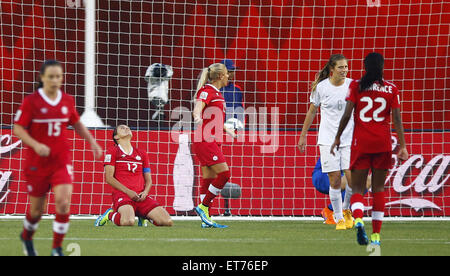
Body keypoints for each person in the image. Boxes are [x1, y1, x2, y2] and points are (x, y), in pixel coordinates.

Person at [13, 60, 103, 256]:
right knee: (37, 212)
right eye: (51, 77)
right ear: (42, 78)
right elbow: (18, 128)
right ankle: (27, 236)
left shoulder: (67, 100)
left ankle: (56, 248)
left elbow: (77, 123)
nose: (55, 80)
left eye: (58, 77)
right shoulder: (31, 102)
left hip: (61, 161)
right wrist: (36, 145)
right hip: (37, 164)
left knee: (63, 202)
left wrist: (93, 142)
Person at [330, 52, 408, 246]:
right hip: (382, 143)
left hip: (361, 143)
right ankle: (376, 237)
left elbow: (347, 114)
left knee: (357, 187)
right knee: (378, 189)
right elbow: (397, 119)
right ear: (382, 67)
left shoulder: (356, 86)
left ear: (365, 67)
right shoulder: (391, 89)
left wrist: (338, 137)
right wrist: (403, 145)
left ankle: (357, 220)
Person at [298, 54, 355, 230]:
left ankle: (346, 210)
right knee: (335, 179)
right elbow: (312, 111)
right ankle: (338, 219)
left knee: (353, 180)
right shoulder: (321, 88)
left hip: (349, 139)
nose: (344, 70)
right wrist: (303, 134)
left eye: (346, 67)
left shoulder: (353, 86)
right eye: (341, 67)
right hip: (327, 140)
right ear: (332, 70)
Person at [95, 125, 173, 227]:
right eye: (122, 128)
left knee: (167, 222)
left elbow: (149, 180)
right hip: (123, 195)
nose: (127, 128)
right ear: (116, 137)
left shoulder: (142, 154)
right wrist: (128, 192)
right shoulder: (112, 151)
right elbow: (109, 178)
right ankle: (110, 215)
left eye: (128, 127)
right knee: (128, 222)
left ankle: (143, 215)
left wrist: (145, 193)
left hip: (140, 196)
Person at [192, 63, 237, 228]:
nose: (228, 76)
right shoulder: (207, 91)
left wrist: (227, 129)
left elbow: (214, 116)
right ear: (220, 76)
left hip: (211, 140)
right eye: (226, 74)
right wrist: (197, 115)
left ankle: (206, 219)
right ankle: (203, 206)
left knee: (208, 179)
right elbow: (198, 108)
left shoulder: (217, 94)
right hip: (205, 140)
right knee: (224, 174)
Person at [313, 157, 372, 225]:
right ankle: (337, 212)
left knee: (366, 180)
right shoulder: (341, 147)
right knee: (356, 178)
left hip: (339, 176)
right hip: (323, 175)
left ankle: (332, 210)